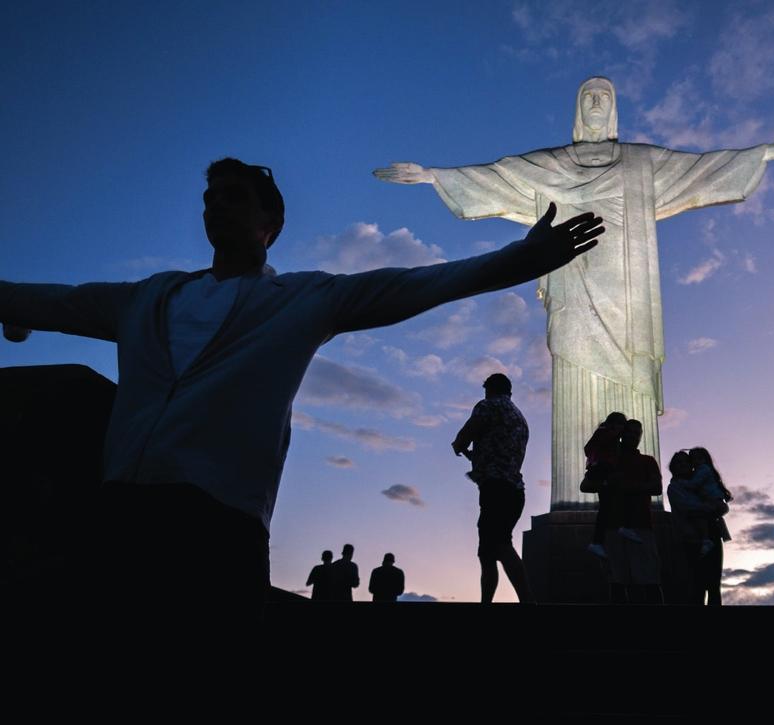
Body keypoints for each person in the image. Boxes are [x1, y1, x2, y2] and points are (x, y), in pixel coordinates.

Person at [0, 158, 603, 625]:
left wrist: (521, 260)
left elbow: (420, 284)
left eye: (233, 196)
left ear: (272, 224)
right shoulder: (146, 298)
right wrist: (17, 311)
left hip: (218, 528)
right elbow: (49, 301)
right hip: (120, 518)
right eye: (210, 198)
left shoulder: (302, 299)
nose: (215, 206)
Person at [375, 76, 774, 510]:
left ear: (613, 110)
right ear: (578, 110)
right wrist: (435, 176)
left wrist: (764, 153)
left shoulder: (640, 162)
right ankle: (578, 499)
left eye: (603, 97)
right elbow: (499, 177)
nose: (595, 103)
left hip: (629, 295)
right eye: (588, 96)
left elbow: (702, 168)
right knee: (573, 363)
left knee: (629, 376)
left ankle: (630, 504)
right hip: (572, 287)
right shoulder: (551, 165)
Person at [451, 373, 533, 603]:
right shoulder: (520, 417)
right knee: (488, 550)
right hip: (515, 490)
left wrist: (459, 446)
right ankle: (487, 601)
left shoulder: (488, 406)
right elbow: (498, 450)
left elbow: (463, 438)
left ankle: (527, 599)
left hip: (495, 489)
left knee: (499, 545)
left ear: (488, 389)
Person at [602, 419, 664, 604]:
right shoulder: (609, 460)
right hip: (614, 525)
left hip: (641, 524)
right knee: (617, 579)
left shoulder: (647, 461)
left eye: (637, 433)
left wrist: (625, 486)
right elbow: (588, 484)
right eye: (629, 432)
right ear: (621, 433)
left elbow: (656, 487)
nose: (633, 436)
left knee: (649, 578)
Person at [667, 447, 730, 606]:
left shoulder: (699, 484)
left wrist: (718, 507)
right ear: (673, 467)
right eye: (678, 462)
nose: (683, 465)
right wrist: (712, 508)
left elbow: (719, 504)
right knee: (698, 584)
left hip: (712, 534)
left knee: (714, 584)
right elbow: (689, 507)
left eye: (685, 462)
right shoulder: (675, 487)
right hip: (692, 540)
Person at [581, 411, 637, 559]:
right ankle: (620, 528)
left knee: (605, 507)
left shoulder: (612, 440)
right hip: (600, 469)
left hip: (602, 471)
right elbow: (589, 449)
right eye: (619, 424)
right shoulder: (605, 433)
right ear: (611, 423)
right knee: (609, 501)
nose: (621, 429)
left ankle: (599, 541)